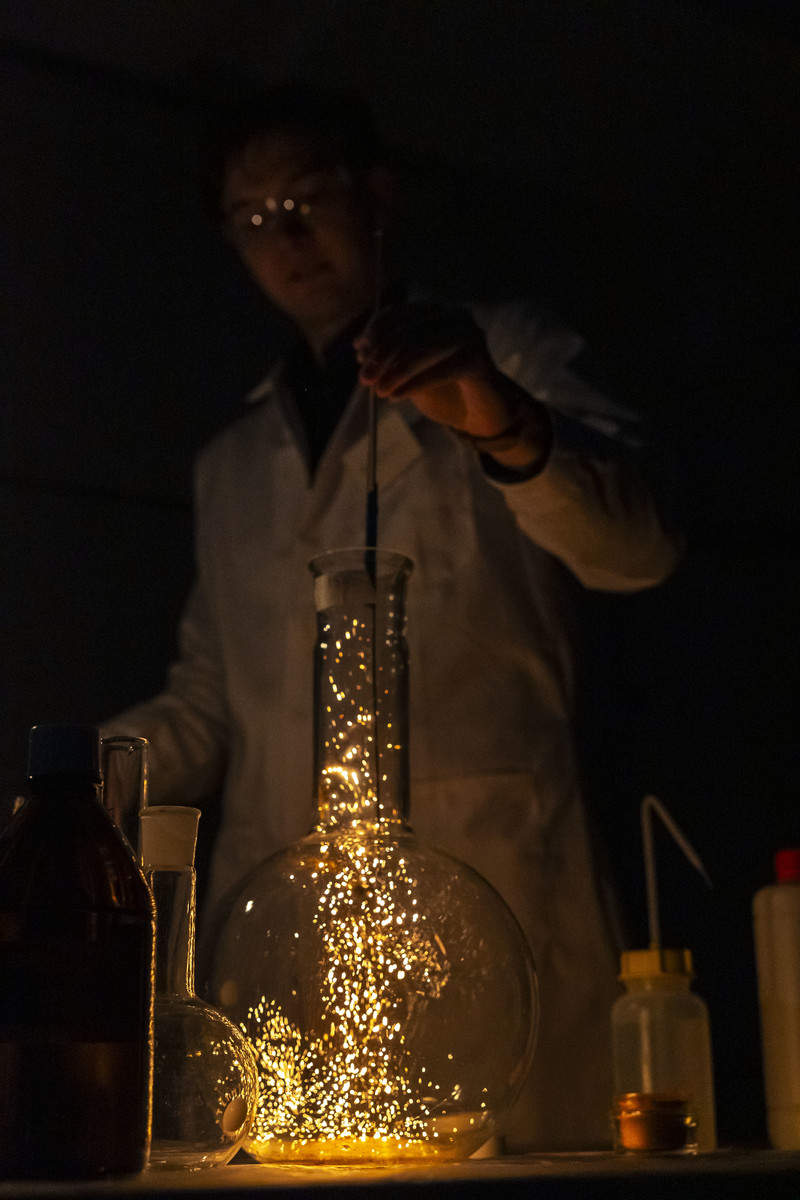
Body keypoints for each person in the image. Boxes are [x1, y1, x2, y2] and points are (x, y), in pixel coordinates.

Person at [103, 83, 682, 1151]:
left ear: (376, 195)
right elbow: (211, 700)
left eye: (306, 199)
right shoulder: (231, 465)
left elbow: (636, 549)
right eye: (252, 218)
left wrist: (499, 420)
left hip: (492, 894)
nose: (286, 239)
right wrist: (65, 789)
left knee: (514, 1161)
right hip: (285, 927)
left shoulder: (507, 351)